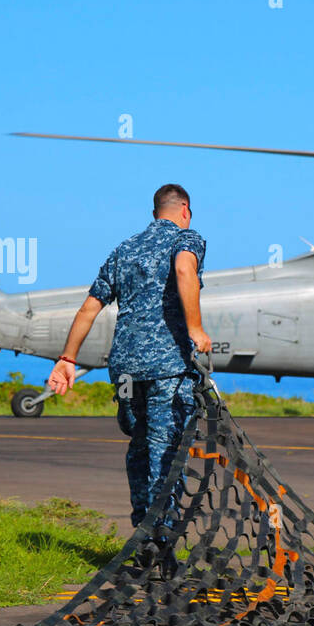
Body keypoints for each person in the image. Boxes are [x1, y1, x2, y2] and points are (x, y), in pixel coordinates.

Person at [48, 183, 213, 541]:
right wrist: (196, 328)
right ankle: (162, 541)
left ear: (155, 213)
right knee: (166, 451)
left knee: (139, 447)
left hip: (125, 369)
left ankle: (142, 532)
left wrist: (67, 358)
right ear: (184, 209)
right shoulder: (187, 239)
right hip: (167, 367)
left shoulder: (124, 249)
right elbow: (185, 271)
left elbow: (89, 308)